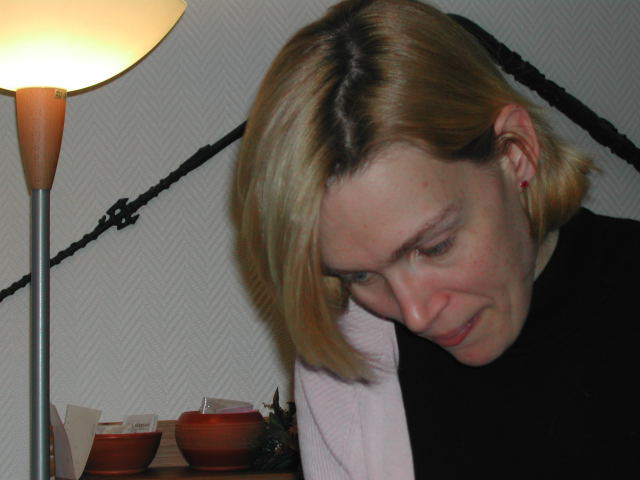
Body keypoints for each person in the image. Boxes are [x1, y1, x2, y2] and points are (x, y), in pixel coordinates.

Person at [233, 0, 640, 478]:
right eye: (359, 275)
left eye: (435, 246)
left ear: (516, 153)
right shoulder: (348, 362)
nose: (415, 314)